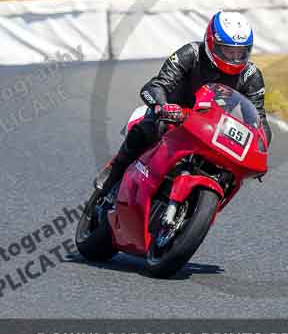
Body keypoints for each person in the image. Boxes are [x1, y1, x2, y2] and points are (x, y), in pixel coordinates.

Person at [96, 11, 270, 196]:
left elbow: (259, 120)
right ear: (212, 43)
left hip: (211, 129)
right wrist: (161, 106)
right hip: (172, 115)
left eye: (240, 52)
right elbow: (156, 85)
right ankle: (115, 170)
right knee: (148, 130)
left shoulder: (251, 76)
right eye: (228, 51)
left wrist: (260, 151)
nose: (234, 57)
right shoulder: (192, 53)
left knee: (230, 175)